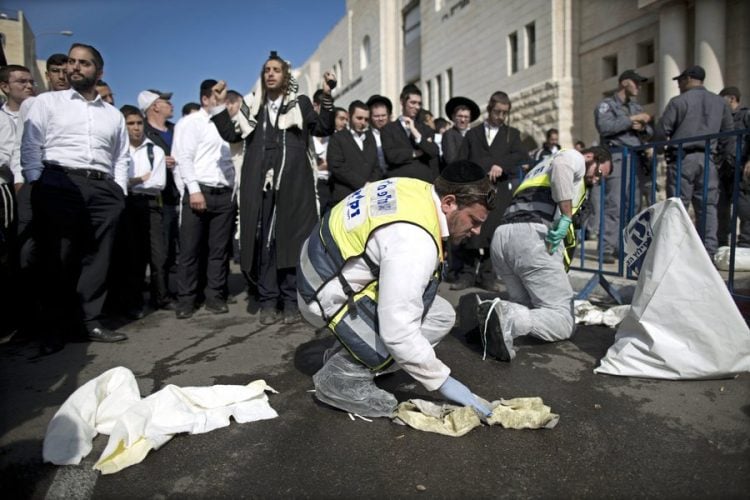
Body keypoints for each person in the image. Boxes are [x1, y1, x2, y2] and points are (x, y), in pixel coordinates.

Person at [297, 160, 496, 418]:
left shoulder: (416, 190)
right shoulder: (414, 240)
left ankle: (353, 350)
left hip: (320, 271)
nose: (477, 231)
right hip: (322, 295)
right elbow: (399, 331)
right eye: (474, 220)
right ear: (449, 203)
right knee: (410, 325)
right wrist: (444, 383)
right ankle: (344, 377)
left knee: (440, 312)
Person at [210, 51, 336, 325]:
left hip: (295, 186)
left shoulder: (300, 104)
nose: (270, 73)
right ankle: (268, 301)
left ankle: (290, 301)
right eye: (267, 69)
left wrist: (326, 95)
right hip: (260, 185)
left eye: (276, 69)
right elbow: (232, 134)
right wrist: (220, 106)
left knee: (291, 242)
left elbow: (324, 127)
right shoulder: (252, 104)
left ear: (286, 76)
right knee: (264, 243)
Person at [21, 43, 129, 350]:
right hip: (59, 180)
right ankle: (55, 328)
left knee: (98, 257)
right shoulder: (47, 102)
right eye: (71, 61)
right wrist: (36, 180)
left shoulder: (112, 115)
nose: (75, 67)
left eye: (84, 63)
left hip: (103, 187)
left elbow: (121, 156)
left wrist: (118, 189)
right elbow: (31, 144)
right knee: (59, 255)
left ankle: (90, 322)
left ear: (99, 71)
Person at [480, 147, 612, 361]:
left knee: (528, 307)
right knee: (563, 320)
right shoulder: (573, 157)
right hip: (532, 238)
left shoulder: (540, 166)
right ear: (590, 157)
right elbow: (563, 167)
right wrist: (567, 216)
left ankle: (494, 317)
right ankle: (507, 317)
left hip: (503, 238)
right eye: (598, 174)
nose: (596, 181)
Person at [172, 79, 237, 319]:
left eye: (225, 95)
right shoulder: (191, 123)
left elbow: (232, 161)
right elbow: (183, 158)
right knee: (190, 249)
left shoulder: (228, 125)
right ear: (205, 99)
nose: (222, 100)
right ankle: (187, 299)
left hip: (224, 194)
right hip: (199, 191)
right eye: (217, 95)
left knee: (218, 251)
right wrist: (192, 190)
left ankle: (214, 296)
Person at [655, 65, 735, 258]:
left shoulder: (679, 101)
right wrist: (725, 160)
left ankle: (676, 252)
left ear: (689, 79)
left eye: (681, 81)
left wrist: (658, 149)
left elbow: (661, 130)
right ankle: (708, 252)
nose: (679, 85)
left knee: (678, 207)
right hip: (708, 160)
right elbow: (729, 136)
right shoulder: (720, 103)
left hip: (683, 159)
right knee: (708, 206)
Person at [454, 91, 528, 292]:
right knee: (470, 230)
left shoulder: (511, 135)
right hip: (475, 190)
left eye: (505, 113)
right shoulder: (473, 134)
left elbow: (520, 156)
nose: (501, 117)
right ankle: (467, 274)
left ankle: (488, 275)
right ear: (489, 109)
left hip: (498, 190)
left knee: (493, 232)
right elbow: (462, 160)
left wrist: (501, 165)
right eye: (497, 112)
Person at [110, 105, 167, 318]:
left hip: (151, 205)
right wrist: (139, 178)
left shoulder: (155, 150)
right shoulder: (117, 151)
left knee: (158, 256)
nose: (136, 128)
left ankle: (160, 297)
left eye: (139, 123)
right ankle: (133, 302)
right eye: (130, 124)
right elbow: (117, 181)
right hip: (127, 204)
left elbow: (157, 182)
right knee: (133, 256)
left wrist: (133, 181)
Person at [594, 69, 653, 263]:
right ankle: (606, 249)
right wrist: (631, 121)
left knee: (633, 205)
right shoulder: (606, 105)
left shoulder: (636, 107)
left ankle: (625, 247)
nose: (639, 87)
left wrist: (643, 126)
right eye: (636, 83)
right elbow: (605, 126)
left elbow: (650, 129)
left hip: (636, 158)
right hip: (617, 156)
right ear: (624, 82)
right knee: (615, 203)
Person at [138, 88, 180, 309]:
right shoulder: (142, 131)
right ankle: (160, 295)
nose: (170, 105)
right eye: (165, 101)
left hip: (177, 196)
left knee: (173, 250)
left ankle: (170, 290)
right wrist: (159, 160)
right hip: (156, 199)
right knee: (159, 251)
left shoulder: (176, 129)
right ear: (154, 106)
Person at [381, 84, 440, 182]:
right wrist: (417, 153)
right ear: (402, 102)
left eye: (419, 103)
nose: (417, 107)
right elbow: (391, 156)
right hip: (399, 182)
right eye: (413, 102)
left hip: (423, 182)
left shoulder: (425, 129)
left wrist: (415, 132)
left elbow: (433, 151)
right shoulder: (388, 129)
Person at [326, 99, 381, 204]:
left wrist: (371, 184)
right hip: (345, 197)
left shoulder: (370, 138)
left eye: (366, 119)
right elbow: (337, 166)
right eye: (359, 118)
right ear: (349, 115)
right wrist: (362, 184)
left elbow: (376, 166)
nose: (363, 122)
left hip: (369, 196)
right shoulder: (338, 138)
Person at [718, 86, 750, 246]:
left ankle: (746, 244)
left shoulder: (745, 115)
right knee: (721, 209)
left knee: (744, 208)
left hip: (741, 167)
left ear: (731, 98)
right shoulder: (723, 119)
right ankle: (721, 244)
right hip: (723, 168)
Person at [442, 96, 479, 165]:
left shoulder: (475, 135)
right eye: (460, 116)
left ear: (470, 119)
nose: (463, 120)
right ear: (453, 117)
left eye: (466, 117)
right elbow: (451, 159)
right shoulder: (449, 135)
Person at [366, 94, 392, 174]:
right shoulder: (365, 136)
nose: (380, 119)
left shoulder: (396, 133)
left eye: (383, 115)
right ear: (370, 117)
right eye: (376, 116)